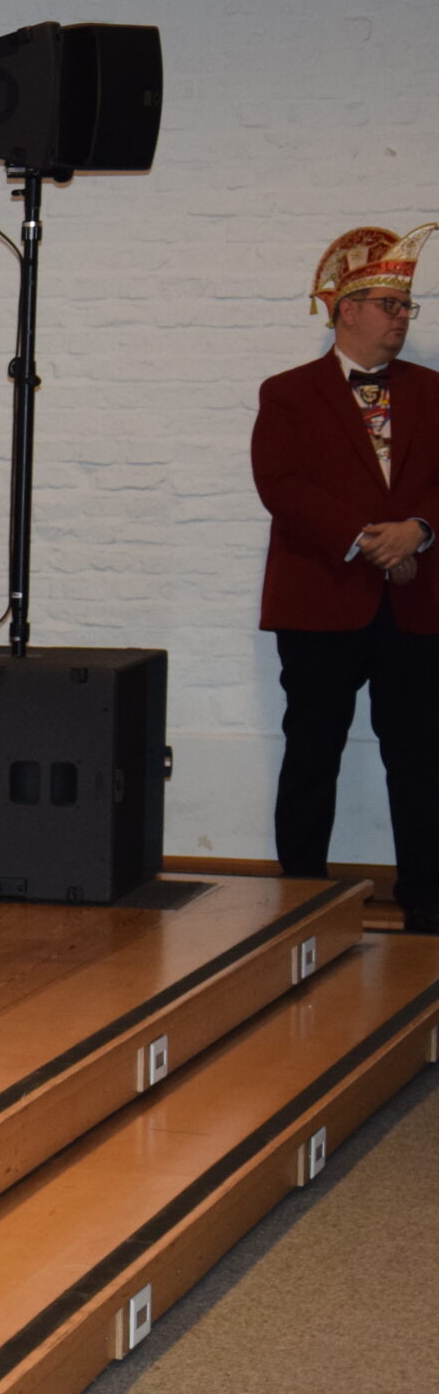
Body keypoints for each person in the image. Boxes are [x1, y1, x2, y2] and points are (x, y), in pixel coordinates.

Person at [251, 223, 439, 934]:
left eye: (406, 306)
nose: (402, 318)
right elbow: (281, 485)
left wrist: (418, 529)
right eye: (390, 305)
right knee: (312, 752)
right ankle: (301, 898)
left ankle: (428, 901)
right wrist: (371, 540)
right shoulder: (287, 393)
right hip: (320, 600)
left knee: (421, 758)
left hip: (418, 603)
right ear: (346, 311)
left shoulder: (434, 391)